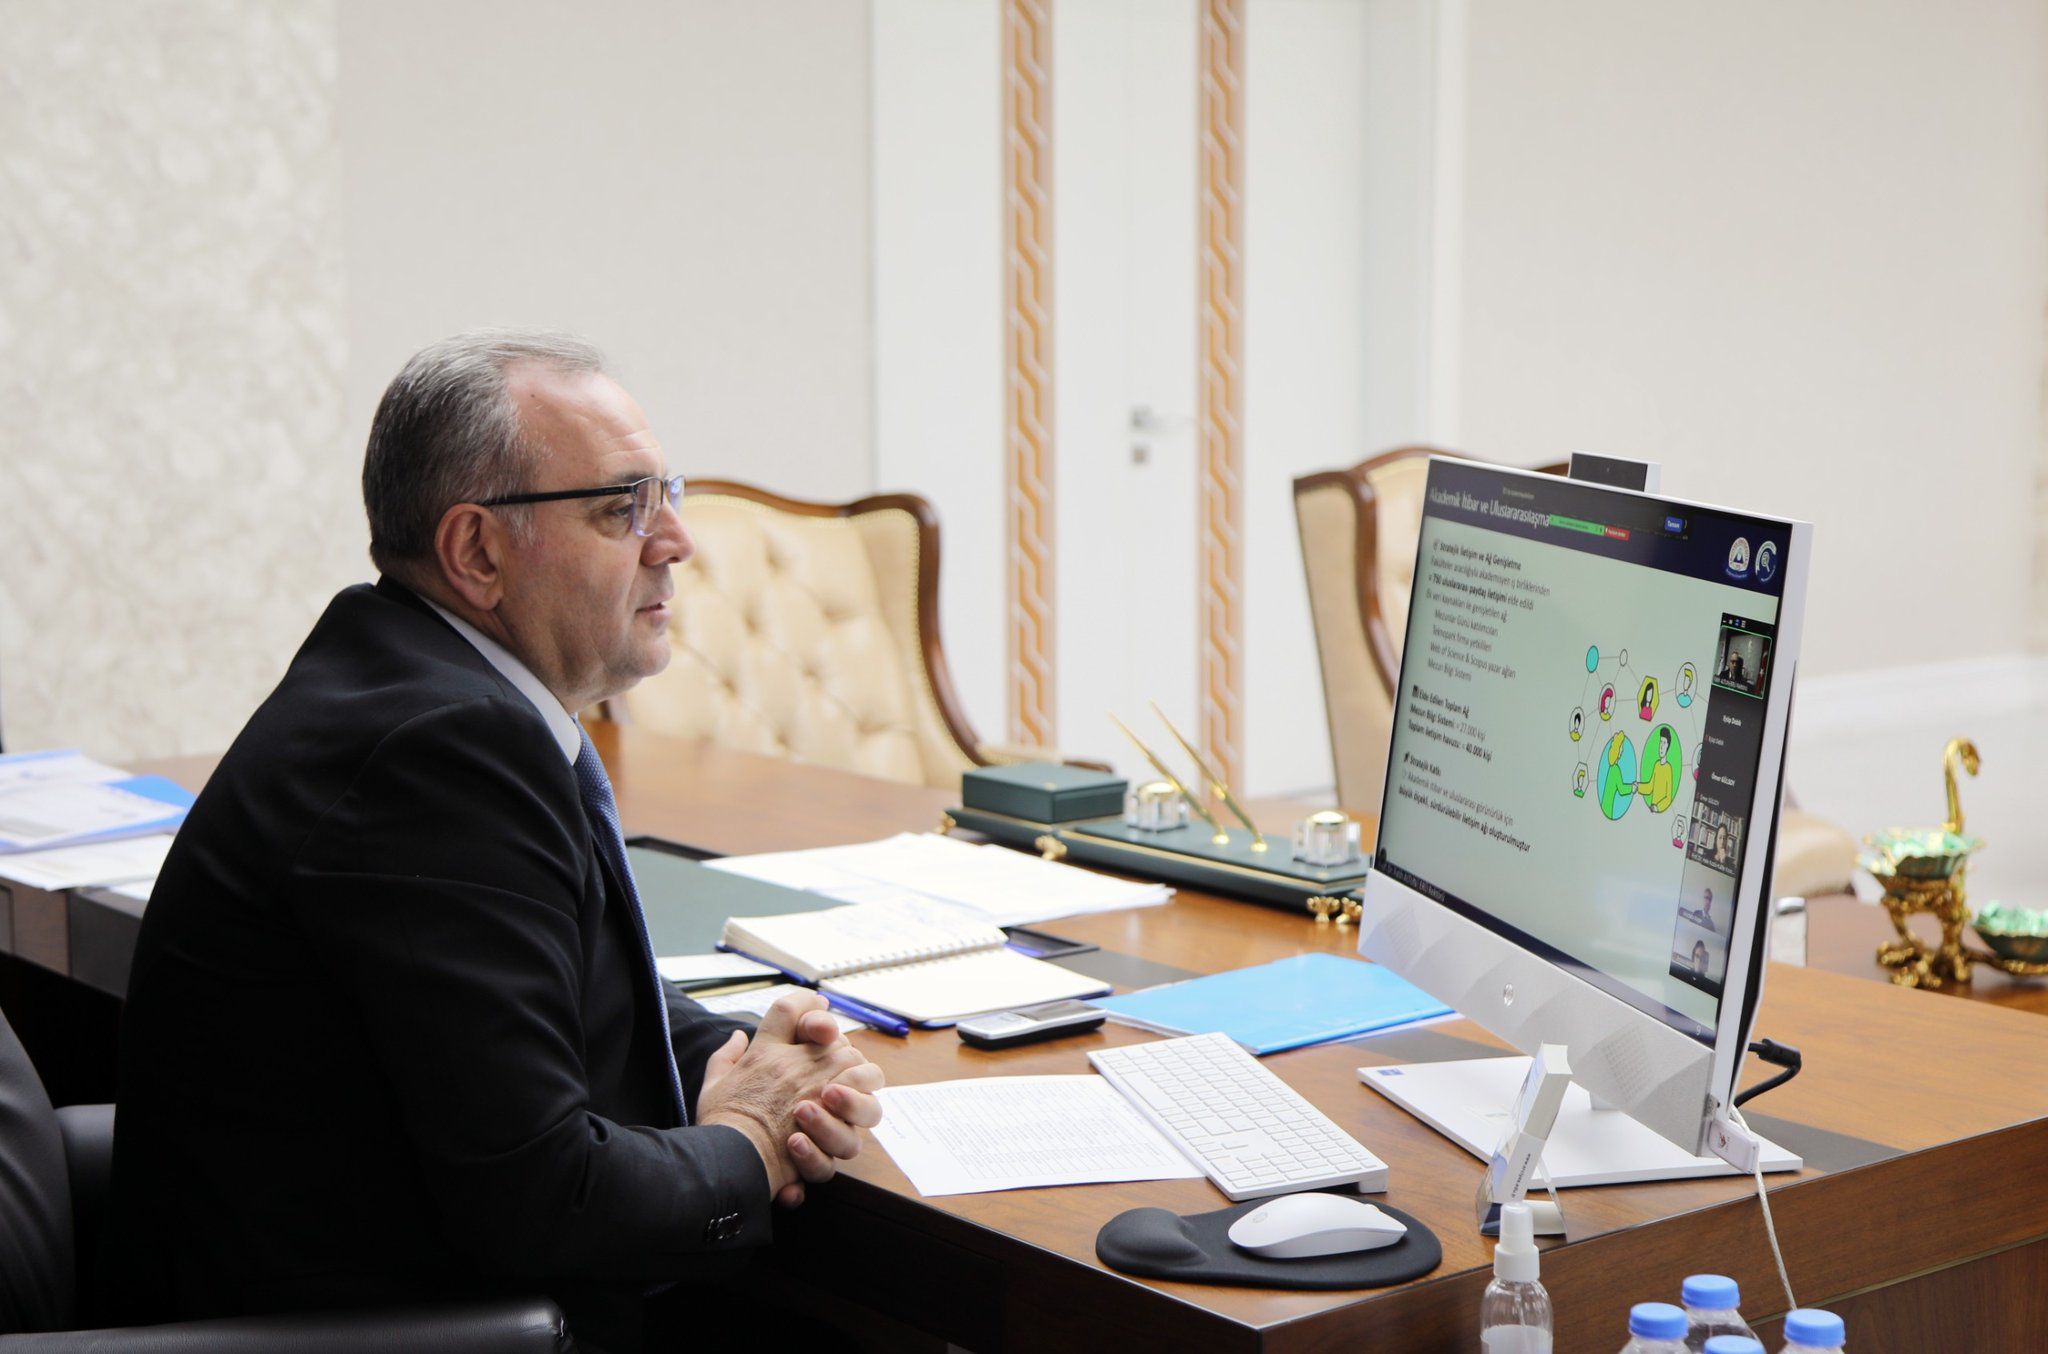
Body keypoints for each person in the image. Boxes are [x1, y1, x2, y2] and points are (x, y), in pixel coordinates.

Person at [107, 332, 883, 1351]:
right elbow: (546, 1198)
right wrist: (751, 1138)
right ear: (476, 551)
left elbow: (553, 995)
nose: (675, 540)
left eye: (667, 493)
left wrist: (749, 1058)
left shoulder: (413, 680)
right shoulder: (438, 749)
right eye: (621, 507)